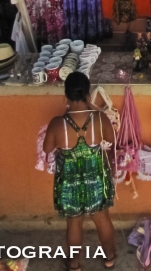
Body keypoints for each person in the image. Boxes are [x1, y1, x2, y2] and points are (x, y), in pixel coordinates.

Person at [43, 72, 116, 270]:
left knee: (74, 223)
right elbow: (111, 140)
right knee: (102, 219)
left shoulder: (57, 123)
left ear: (66, 95)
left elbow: (47, 149)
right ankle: (110, 257)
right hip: (96, 178)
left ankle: (74, 264)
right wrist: (93, 109)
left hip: (69, 181)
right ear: (88, 94)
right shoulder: (100, 119)